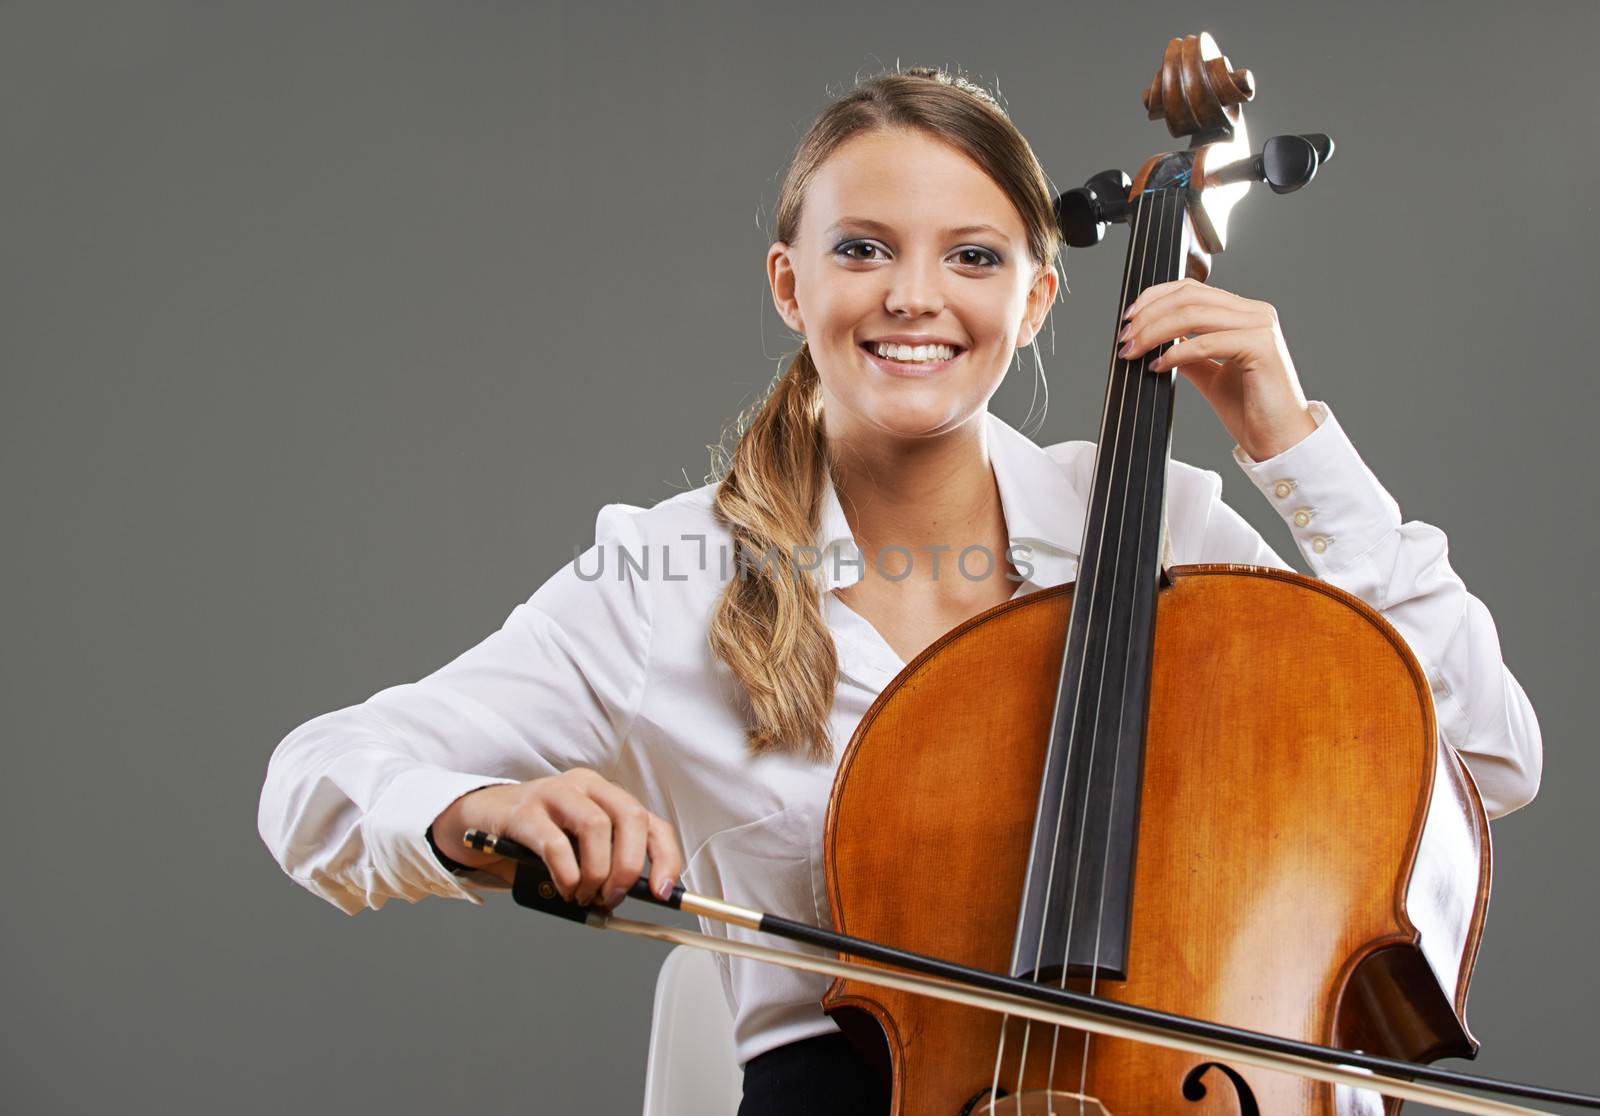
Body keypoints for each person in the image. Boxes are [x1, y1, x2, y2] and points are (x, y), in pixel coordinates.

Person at [256, 67, 1542, 1116]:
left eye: (973, 258)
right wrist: (481, 806)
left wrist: (1290, 445)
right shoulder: (668, 576)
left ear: (1037, 299)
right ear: (790, 283)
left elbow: (1482, 754)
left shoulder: (1162, 535)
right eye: (864, 248)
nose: (914, 298)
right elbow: (318, 779)